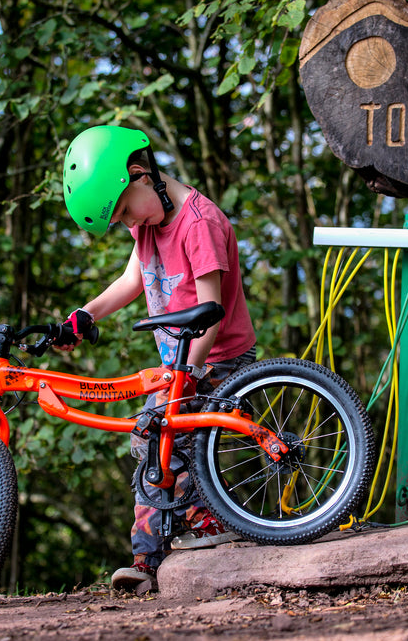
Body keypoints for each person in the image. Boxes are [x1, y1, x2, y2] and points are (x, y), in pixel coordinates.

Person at [56, 125, 257, 591]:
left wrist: (188, 372)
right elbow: (133, 280)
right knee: (153, 443)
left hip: (218, 356)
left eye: (125, 210)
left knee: (163, 439)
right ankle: (151, 556)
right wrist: (84, 315)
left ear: (140, 174)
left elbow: (211, 311)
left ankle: (200, 527)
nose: (129, 224)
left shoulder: (198, 223)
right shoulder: (148, 222)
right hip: (177, 365)